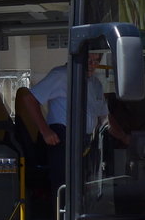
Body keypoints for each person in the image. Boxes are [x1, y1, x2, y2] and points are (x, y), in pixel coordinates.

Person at [21, 52, 126, 193]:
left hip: (87, 142)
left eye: (96, 60)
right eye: (88, 59)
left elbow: (105, 118)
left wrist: (124, 137)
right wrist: (45, 130)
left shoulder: (95, 84)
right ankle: (60, 215)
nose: (92, 65)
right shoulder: (61, 75)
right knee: (65, 190)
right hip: (63, 139)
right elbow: (29, 98)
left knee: (86, 191)